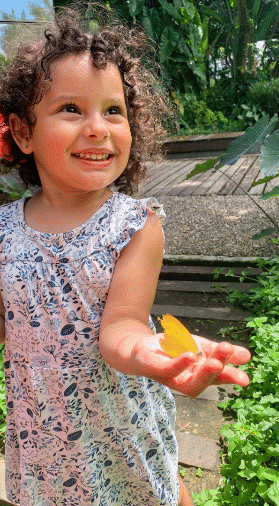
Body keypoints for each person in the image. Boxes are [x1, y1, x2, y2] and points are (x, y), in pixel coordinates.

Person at [0, 9, 251, 506]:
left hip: (119, 426)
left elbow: (123, 325)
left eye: (113, 111)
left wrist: (148, 354)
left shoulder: (135, 226)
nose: (98, 128)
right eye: (71, 108)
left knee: (150, 491)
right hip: (43, 437)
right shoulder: (4, 230)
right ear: (23, 133)